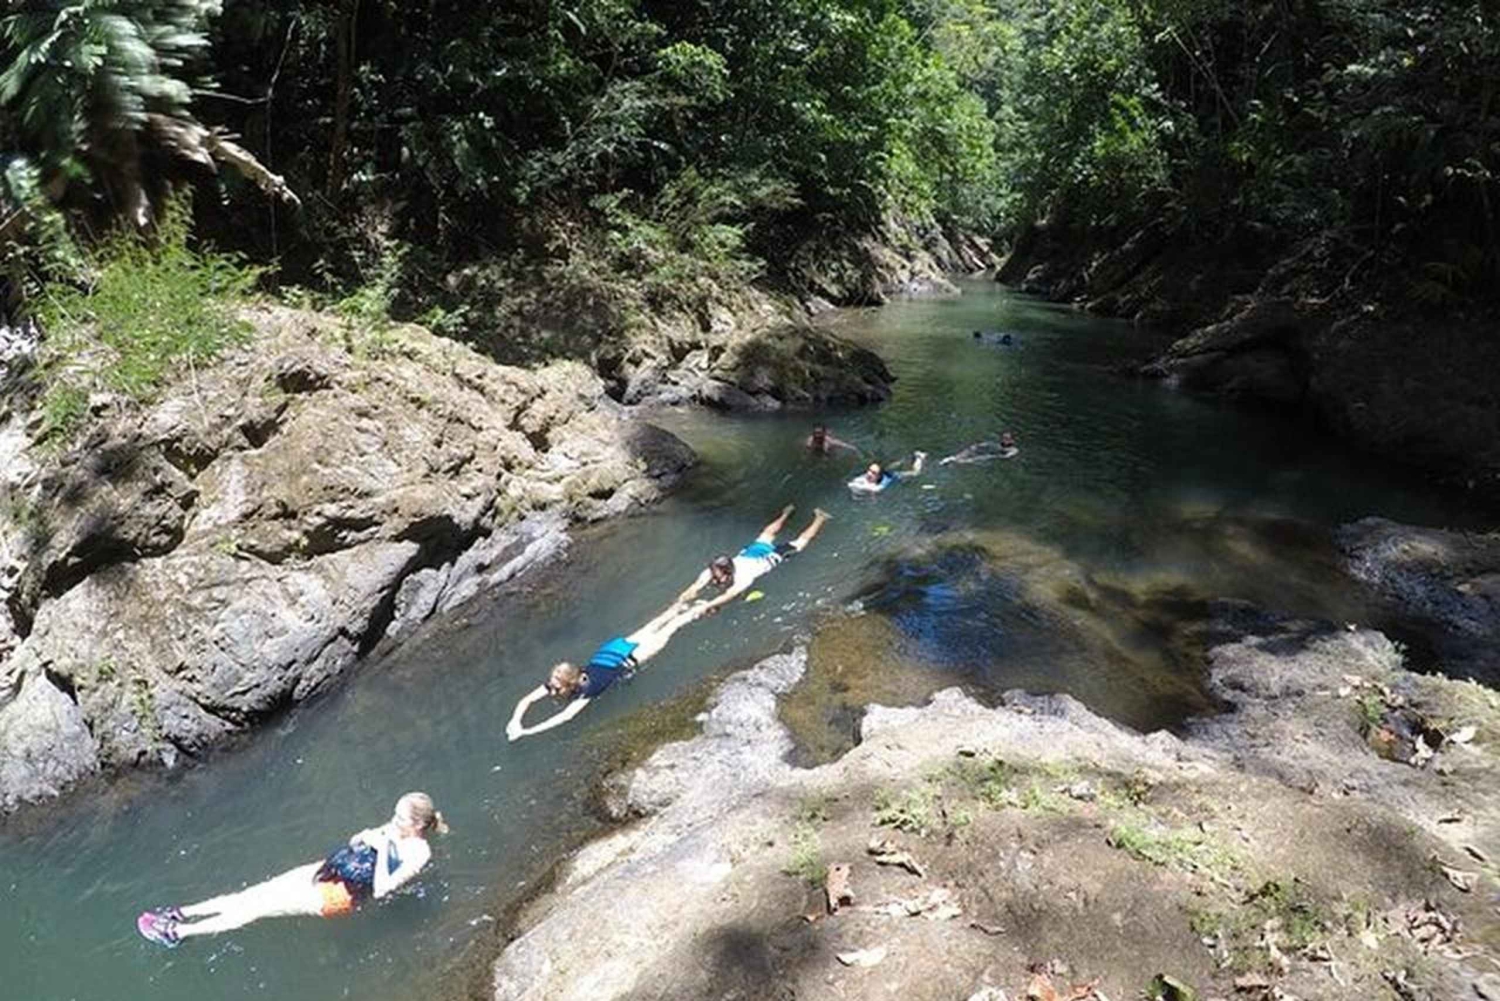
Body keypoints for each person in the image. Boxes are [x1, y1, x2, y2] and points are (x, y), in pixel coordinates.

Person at [135, 792, 447, 947]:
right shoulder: (396, 829)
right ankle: (182, 912)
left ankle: (177, 933)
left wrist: (382, 848)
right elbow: (359, 841)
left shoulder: (418, 851)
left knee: (255, 910)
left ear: (418, 824)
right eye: (394, 814)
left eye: (401, 818)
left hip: (341, 897)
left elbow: (382, 890)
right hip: (329, 871)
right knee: (250, 894)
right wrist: (365, 836)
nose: (393, 821)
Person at [506, 600, 704, 741]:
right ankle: (682, 604)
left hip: (631, 657)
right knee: (657, 622)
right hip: (612, 649)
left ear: (571, 683)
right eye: (553, 686)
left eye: (557, 688)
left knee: (670, 629)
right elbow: (526, 700)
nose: (553, 691)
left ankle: (696, 610)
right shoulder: (563, 680)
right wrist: (516, 721)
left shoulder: (586, 692)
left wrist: (528, 732)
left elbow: (565, 717)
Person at [676, 504, 830, 614]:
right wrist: (682, 599)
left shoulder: (744, 577)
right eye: (713, 570)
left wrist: (708, 605)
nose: (712, 573)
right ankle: (786, 514)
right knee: (767, 534)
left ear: (726, 570)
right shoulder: (711, 571)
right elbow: (696, 586)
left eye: (716, 571)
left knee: (799, 544)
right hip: (750, 553)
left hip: (769, 558)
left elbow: (730, 595)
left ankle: (820, 518)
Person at [848, 452, 927, 493]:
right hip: (884, 472)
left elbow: (876, 489)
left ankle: (920, 457)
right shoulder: (868, 476)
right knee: (887, 468)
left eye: (873, 473)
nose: (869, 473)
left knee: (916, 473)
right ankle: (902, 461)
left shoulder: (882, 484)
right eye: (869, 470)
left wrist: (856, 485)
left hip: (893, 477)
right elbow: (856, 480)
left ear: (878, 476)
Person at [939, 432, 1019, 465]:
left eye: (1006, 439)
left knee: (982, 457)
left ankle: (959, 461)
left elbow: (1006, 456)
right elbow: (986, 444)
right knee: (971, 449)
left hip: (992, 456)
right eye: (1003, 438)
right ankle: (955, 457)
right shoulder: (998, 444)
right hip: (991, 451)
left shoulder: (1013, 449)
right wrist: (977, 446)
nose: (1004, 440)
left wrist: (993, 456)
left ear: (1011, 440)